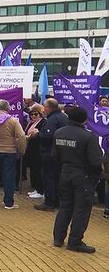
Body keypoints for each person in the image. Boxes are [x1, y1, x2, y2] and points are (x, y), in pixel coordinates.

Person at [51, 107, 103, 253]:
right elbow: (95, 161)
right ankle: (75, 241)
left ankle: (58, 238)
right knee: (81, 209)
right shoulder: (88, 136)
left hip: (65, 172)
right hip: (84, 176)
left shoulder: (59, 133)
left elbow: (54, 156)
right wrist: (97, 175)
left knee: (65, 206)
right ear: (84, 119)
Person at [0, 99, 26, 209]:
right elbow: (21, 136)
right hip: (9, 152)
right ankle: (8, 203)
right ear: (8, 108)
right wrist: (21, 149)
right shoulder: (13, 121)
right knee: (8, 177)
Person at [35, 98, 69, 211]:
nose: (43, 110)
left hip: (50, 153)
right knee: (58, 177)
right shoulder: (63, 117)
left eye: (44, 107)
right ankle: (58, 201)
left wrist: (38, 134)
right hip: (61, 153)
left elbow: (49, 136)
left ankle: (49, 202)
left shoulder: (52, 119)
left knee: (49, 177)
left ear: (48, 107)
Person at [24, 105, 46, 199]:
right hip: (30, 149)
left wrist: (35, 135)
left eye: (36, 114)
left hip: (38, 149)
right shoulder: (30, 123)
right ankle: (36, 188)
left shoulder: (43, 123)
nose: (33, 116)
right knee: (33, 170)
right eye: (32, 114)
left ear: (40, 114)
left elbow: (41, 135)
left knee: (38, 170)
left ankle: (40, 190)